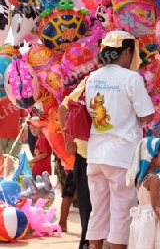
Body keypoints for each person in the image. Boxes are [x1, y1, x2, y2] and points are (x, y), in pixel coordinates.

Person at [84, 31, 155, 249]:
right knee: (121, 213)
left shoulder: (93, 77)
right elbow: (146, 115)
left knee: (98, 210)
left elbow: (90, 112)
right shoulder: (131, 78)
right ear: (127, 51)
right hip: (121, 156)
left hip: (96, 155)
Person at [59, 75, 92, 249]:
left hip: (107, 159)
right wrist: (68, 139)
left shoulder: (131, 78)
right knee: (88, 213)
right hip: (87, 157)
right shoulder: (90, 81)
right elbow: (64, 107)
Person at [126, 137, 160, 249]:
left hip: (145, 220)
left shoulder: (143, 178)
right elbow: (156, 204)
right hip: (154, 221)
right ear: (151, 157)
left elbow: (155, 198)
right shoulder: (154, 179)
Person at [0, 96, 28, 175]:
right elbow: (24, 118)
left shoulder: (2, 101)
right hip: (14, 133)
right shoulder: (19, 101)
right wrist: (25, 130)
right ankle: (6, 175)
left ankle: (2, 177)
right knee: (12, 155)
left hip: (2, 133)